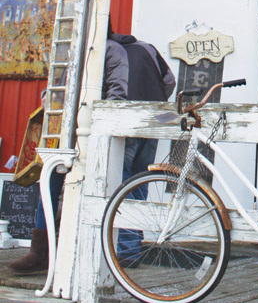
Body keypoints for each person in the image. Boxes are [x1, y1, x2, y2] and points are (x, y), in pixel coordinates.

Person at [10, 20, 175, 273]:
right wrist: (154, 104)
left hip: (115, 127)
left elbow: (114, 94)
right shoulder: (147, 48)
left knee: (115, 181)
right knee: (136, 185)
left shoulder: (102, 52)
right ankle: (129, 252)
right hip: (149, 123)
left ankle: (49, 252)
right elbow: (169, 80)